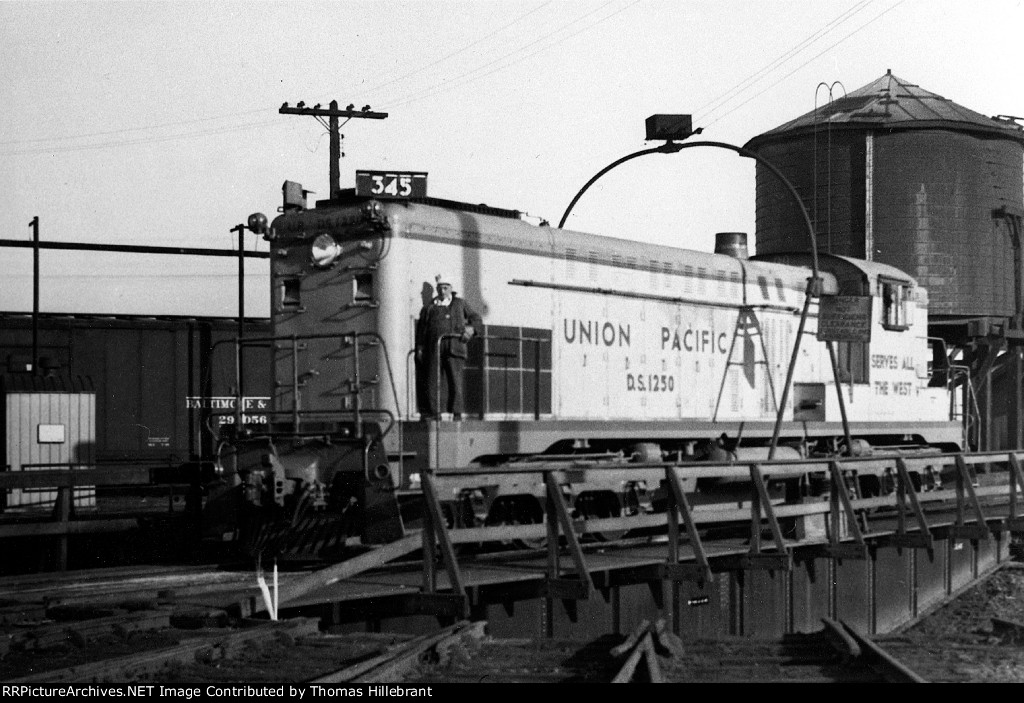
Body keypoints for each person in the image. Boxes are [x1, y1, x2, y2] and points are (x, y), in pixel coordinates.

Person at [415, 274, 482, 421]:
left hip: (454, 347)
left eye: (445, 288)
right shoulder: (429, 307)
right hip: (434, 348)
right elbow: (422, 329)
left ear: (451, 289)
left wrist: (471, 330)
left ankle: (456, 413)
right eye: (440, 288)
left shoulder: (460, 303)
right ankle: (434, 413)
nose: (442, 291)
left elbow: (476, 319)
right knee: (432, 380)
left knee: (455, 381)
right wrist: (420, 347)